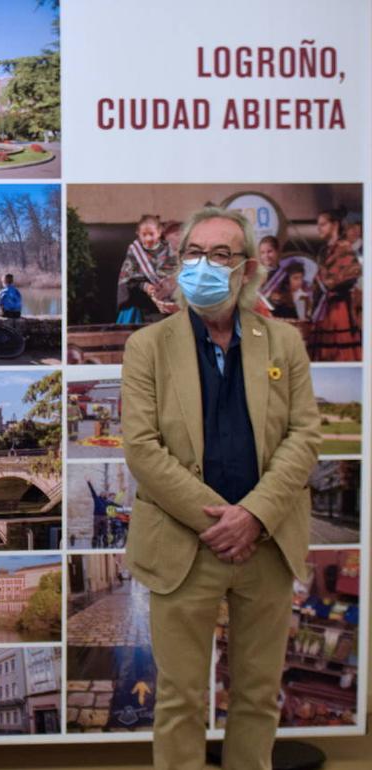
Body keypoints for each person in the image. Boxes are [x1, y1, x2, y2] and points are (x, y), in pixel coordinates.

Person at [121, 207, 321, 770]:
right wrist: (219, 523)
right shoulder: (148, 347)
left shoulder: (283, 344)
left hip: (266, 546)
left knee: (258, 698)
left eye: (220, 255)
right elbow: (142, 449)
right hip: (186, 548)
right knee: (181, 699)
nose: (204, 266)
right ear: (178, 262)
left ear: (247, 268)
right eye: (193, 254)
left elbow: (305, 437)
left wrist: (253, 516)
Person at [310, 209, 362, 361]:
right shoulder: (324, 251)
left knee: (340, 351)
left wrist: (327, 282)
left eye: (323, 224)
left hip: (339, 310)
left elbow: (352, 272)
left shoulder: (344, 247)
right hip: (324, 309)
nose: (319, 228)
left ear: (335, 225)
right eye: (318, 225)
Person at [116, 214, 179, 324]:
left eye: (151, 234)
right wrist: (144, 286)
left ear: (159, 232)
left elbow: (173, 270)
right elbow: (127, 278)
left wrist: (165, 283)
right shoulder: (134, 251)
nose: (148, 238)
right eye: (144, 235)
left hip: (166, 302)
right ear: (138, 234)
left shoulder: (167, 249)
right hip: (141, 305)